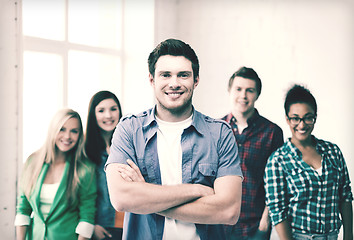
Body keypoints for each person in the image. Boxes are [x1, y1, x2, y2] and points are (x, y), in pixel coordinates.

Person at [105, 38, 243, 240]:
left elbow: (228, 211)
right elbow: (122, 199)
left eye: (183, 75)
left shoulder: (220, 134)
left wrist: (145, 196)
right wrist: (195, 190)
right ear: (152, 80)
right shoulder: (129, 130)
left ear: (196, 80)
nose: (174, 83)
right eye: (165, 75)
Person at [264, 84, 353, 240]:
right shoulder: (277, 161)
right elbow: (278, 213)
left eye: (308, 117)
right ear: (287, 118)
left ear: (315, 117)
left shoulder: (333, 152)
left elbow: (345, 196)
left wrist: (349, 236)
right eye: (295, 118)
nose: (302, 124)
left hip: (332, 236)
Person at [15, 108, 97, 240]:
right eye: (62, 129)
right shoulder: (32, 162)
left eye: (74, 131)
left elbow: (87, 217)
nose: (67, 136)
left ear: (80, 135)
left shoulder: (85, 168)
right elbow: (23, 208)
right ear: (53, 130)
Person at [222, 66, 284, 240]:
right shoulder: (216, 129)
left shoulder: (272, 132)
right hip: (220, 224)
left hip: (255, 226)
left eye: (250, 90)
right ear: (229, 91)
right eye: (239, 89)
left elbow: (277, 183)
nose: (243, 95)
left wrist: (265, 223)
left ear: (257, 94)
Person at [85, 90, 124, 240]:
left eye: (113, 109)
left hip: (128, 223)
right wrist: (92, 225)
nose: (108, 115)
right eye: (101, 110)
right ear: (93, 115)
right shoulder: (85, 150)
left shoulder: (129, 145)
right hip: (100, 226)